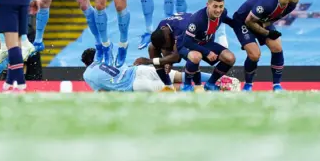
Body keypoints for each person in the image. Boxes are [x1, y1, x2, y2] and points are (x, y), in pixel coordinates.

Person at [232, 0, 304, 91]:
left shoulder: (292, 4)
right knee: (254, 55)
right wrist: (267, 32)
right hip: (242, 21)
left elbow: (272, 18)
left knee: (277, 47)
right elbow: (249, 21)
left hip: (261, 20)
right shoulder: (268, 2)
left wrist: (267, 28)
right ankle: (248, 85)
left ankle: (277, 86)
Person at [81, 48, 239, 92]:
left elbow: (102, 93)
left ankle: (220, 90)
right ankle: (223, 80)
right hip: (138, 71)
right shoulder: (105, 58)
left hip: (135, 85)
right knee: (178, 75)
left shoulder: (88, 74)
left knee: (172, 88)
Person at [179, 0, 236, 91]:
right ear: (208, 5)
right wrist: (207, 52)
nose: (218, 10)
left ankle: (210, 84)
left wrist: (239, 25)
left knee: (230, 58)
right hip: (186, 45)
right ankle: (187, 86)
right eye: (215, 6)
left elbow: (226, 20)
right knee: (196, 56)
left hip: (206, 43)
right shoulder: (197, 20)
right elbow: (187, 42)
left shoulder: (223, 13)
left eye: (220, 6)